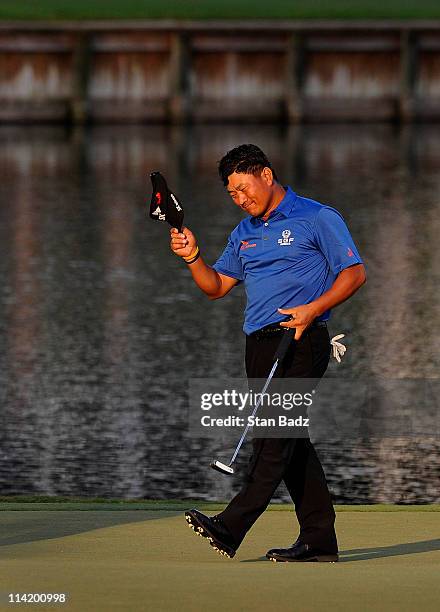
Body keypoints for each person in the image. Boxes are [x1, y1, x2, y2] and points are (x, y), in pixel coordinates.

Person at [170, 144, 366, 562]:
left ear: (266, 173)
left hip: (300, 340)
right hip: (257, 346)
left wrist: (314, 308)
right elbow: (216, 287)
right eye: (233, 194)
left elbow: (354, 272)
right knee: (291, 440)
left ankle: (231, 525)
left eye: (244, 189)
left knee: (273, 439)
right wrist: (193, 257)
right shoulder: (244, 232)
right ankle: (319, 540)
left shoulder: (316, 217)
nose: (241, 200)